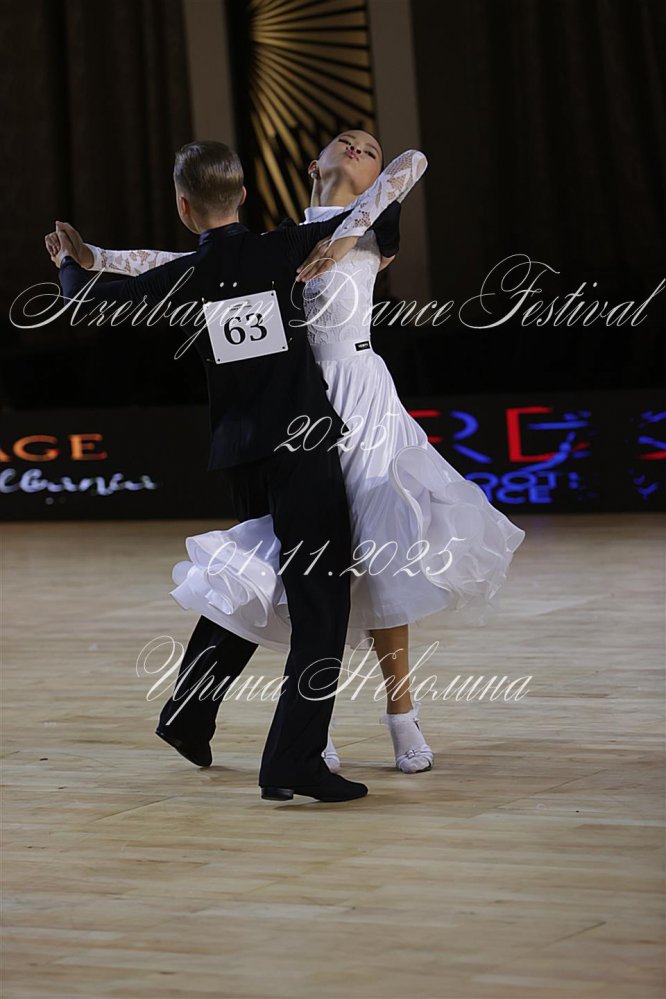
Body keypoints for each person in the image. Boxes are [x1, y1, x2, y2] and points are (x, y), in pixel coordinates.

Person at [53, 131, 526, 778]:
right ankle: (306, 731)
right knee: (303, 575)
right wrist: (98, 256)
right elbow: (181, 263)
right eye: (345, 142)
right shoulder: (275, 242)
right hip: (294, 411)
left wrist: (346, 236)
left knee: (381, 561)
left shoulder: (371, 220)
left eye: (368, 148)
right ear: (313, 164)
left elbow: (411, 163)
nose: (358, 148)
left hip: (361, 404)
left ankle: (401, 713)